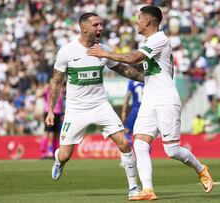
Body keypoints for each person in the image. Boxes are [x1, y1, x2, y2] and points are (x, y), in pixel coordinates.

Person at [87, 5, 213, 200]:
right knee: (139, 143)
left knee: (171, 150)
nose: (136, 21)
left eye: (138, 18)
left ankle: (200, 168)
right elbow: (150, 73)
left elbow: (133, 58)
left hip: (166, 101)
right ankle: (148, 190)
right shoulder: (151, 42)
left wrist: (105, 54)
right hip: (149, 101)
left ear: (147, 21)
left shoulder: (160, 39)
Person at [45, 12, 144, 199]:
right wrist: (51, 110)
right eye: (96, 25)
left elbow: (122, 68)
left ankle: (133, 188)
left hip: (100, 105)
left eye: (101, 24)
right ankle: (59, 159)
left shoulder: (103, 49)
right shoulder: (67, 52)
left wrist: (144, 79)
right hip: (76, 109)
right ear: (84, 28)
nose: (100, 28)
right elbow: (56, 82)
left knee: (123, 143)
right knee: (65, 155)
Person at [40, 81, 64, 159]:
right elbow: (39, 95)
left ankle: (54, 153)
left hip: (58, 114)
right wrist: (45, 87)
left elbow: (61, 104)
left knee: (56, 134)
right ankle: (44, 153)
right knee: (48, 133)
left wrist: (62, 114)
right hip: (49, 113)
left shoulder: (60, 92)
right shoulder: (47, 91)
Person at [121, 80, 144, 146]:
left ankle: (130, 148)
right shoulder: (146, 80)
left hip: (136, 109)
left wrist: (123, 112)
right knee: (146, 133)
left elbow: (127, 97)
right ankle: (146, 154)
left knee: (127, 130)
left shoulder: (132, 82)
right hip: (146, 110)